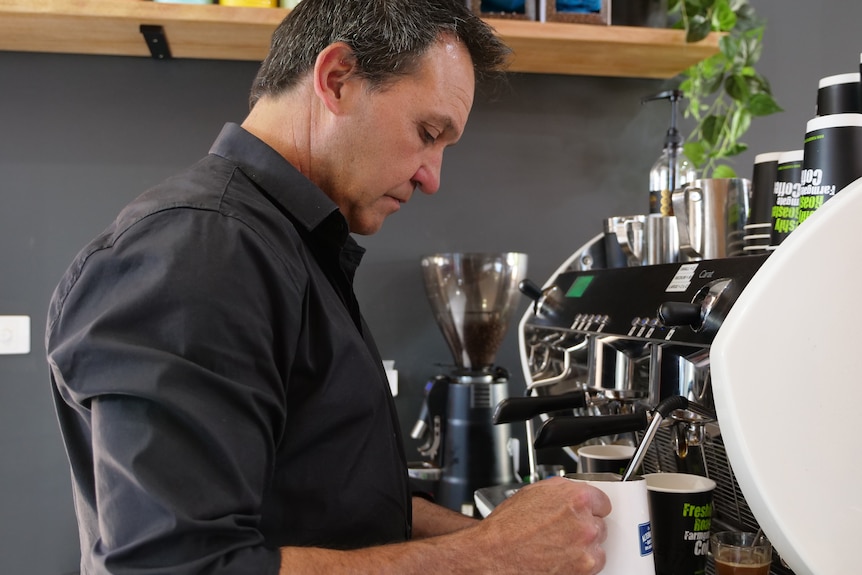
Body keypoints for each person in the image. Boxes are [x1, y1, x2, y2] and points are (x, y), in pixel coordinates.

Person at [46, 1, 610, 573]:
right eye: (427, 132)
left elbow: (336, 501)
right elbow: (177, 567)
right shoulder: (198, 251)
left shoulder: (286, 244)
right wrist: (493, 554)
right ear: (337, 79)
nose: (432, 177)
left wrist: (508, 533)